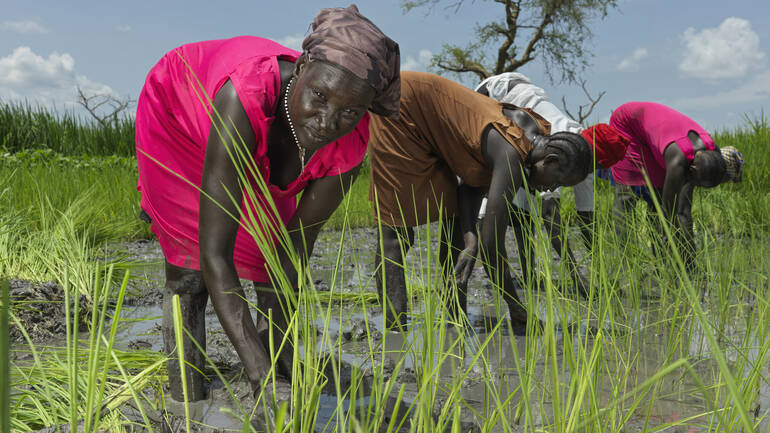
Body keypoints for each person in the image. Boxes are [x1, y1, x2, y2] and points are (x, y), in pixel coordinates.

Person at [135, 5, 400, 402]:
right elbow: (216, 255)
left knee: (270, 262)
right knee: (190, 274)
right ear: (304, 65)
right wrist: (263, 378)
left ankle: (273, 364)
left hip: (248, 134)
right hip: (182, 110)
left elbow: (293, 253)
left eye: (349, 111)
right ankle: (186, 400)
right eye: (319, 96)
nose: (326, 123)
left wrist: (280, 358)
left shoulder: (350, 143)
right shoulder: (244, 96)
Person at [368, 71, 616, 334]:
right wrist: (515, 305)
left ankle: (456, 317)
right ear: (551, 160)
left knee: (456, 234)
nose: (551, 189)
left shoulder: (536, 134)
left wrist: (469, 240)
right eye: (556, 182)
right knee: (395, 233)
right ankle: (394, 333)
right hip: (403, 106)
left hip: (431, 121)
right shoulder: (513, 154)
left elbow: (471, 186)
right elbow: (491, 245)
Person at [474, 72, 628, 296]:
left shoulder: (585, 164)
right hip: (496, 94)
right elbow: (550, 214)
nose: (590, 171)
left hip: (528, 112)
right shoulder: (563, 146)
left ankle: (528, 275)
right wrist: (576, 275)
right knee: (497, 191)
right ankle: (492, 268)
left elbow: (587, 219)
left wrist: (602, 273)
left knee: (526, 200)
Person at [604, 102, 743, 272]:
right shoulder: (677, 163)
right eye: (694, 182)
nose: (692, 186)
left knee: (660, 198)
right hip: (628, 124)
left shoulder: (712, 151)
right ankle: (627, 268)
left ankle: (666, 264)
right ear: (691, 170)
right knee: (627, 196)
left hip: (657, 132)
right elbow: (670, 214)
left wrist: (689, 261)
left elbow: (683, 211)